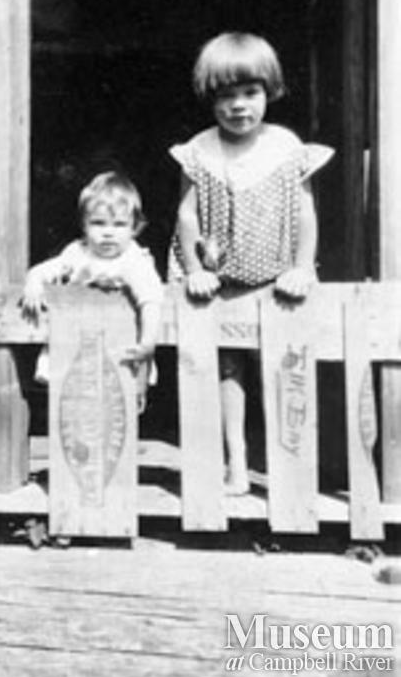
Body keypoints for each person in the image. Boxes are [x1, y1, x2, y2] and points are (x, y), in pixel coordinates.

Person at [168, 31, 334, 494]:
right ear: (210, 99)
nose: (238, 106)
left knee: (282, 366)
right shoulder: (200, 150)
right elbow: (186, 213)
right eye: (226, 96)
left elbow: (305, 212)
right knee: (226, 369)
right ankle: (236, 465)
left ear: (269, 92)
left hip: (275, 280)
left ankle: (285, 470)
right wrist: (196, 270)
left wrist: (302, 267)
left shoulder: (284, 146)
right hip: (219, 281)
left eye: (250, 93)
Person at [21, 171, 163, 408]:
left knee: (119, 403)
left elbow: (150, 300)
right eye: (98, 223)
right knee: (76, 404)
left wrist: (147, 343)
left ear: (134, 228)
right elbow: (42, 270)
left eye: (119, 224)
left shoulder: (134, 260)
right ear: (84, 226)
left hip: (121, 344)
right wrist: (34, 285)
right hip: (78, 342)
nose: (108, 232)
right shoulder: (78, 254)